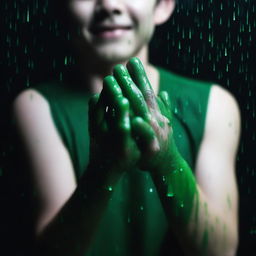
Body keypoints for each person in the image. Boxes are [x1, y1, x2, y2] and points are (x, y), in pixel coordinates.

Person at [12, 0, 240, 255]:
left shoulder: (215, 105)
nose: (109, 5)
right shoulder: (36, 106)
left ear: (162, 6)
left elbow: (221, 251)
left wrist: (167, 160)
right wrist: (103, 168)